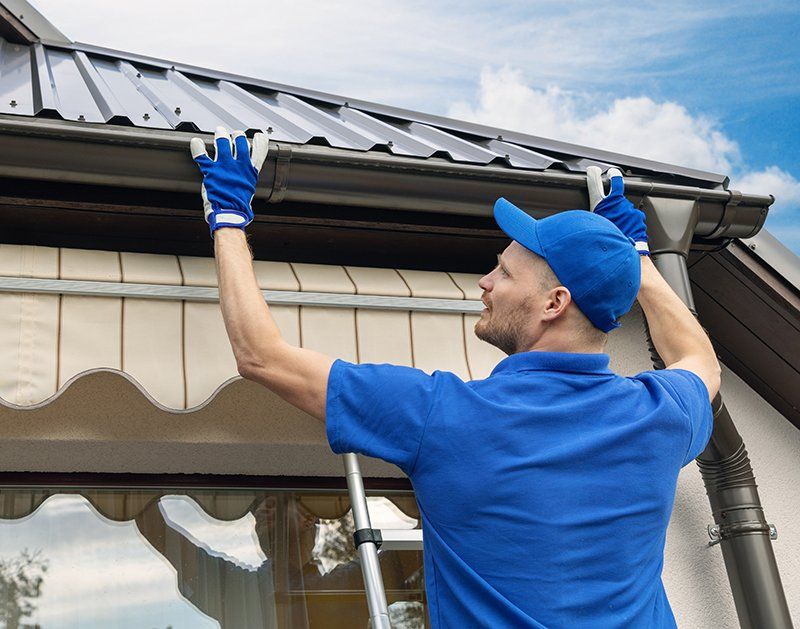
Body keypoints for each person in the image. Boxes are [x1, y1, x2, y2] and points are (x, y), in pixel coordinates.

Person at [189, 128, 719, 628]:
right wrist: (637, 261)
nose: (485, 282)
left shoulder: (445, 416)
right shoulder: (660, 415)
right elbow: (699, 359)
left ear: (555, 303)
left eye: (505, 273)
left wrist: (229, 219)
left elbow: (261, 356)